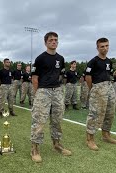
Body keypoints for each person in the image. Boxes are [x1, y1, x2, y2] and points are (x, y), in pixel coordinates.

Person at [30, 32, 72, 163]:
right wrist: (38, 94)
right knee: (40, 120)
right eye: (51, 40)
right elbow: (35, 78)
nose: (54, 42)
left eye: (56, 40)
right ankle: (35, 148)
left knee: (57, 119)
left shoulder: (61, 58)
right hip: (43, 91)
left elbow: (61, 75)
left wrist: (59, 88)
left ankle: (57, 144)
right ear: (45, 42)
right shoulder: (40, 58)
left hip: (57, 91)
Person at [85, 37, 116, 151]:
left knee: (110, 112)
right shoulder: (93, 61)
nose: (105, 48)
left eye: (107, 46)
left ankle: (106, 135)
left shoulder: (109, 61)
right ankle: (90, 139)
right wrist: (93, 89)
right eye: (102, 46)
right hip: (98, 87)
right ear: (97, 48)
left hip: (109, 87)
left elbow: (108, 74)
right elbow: (88, 77)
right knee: (95, 113)